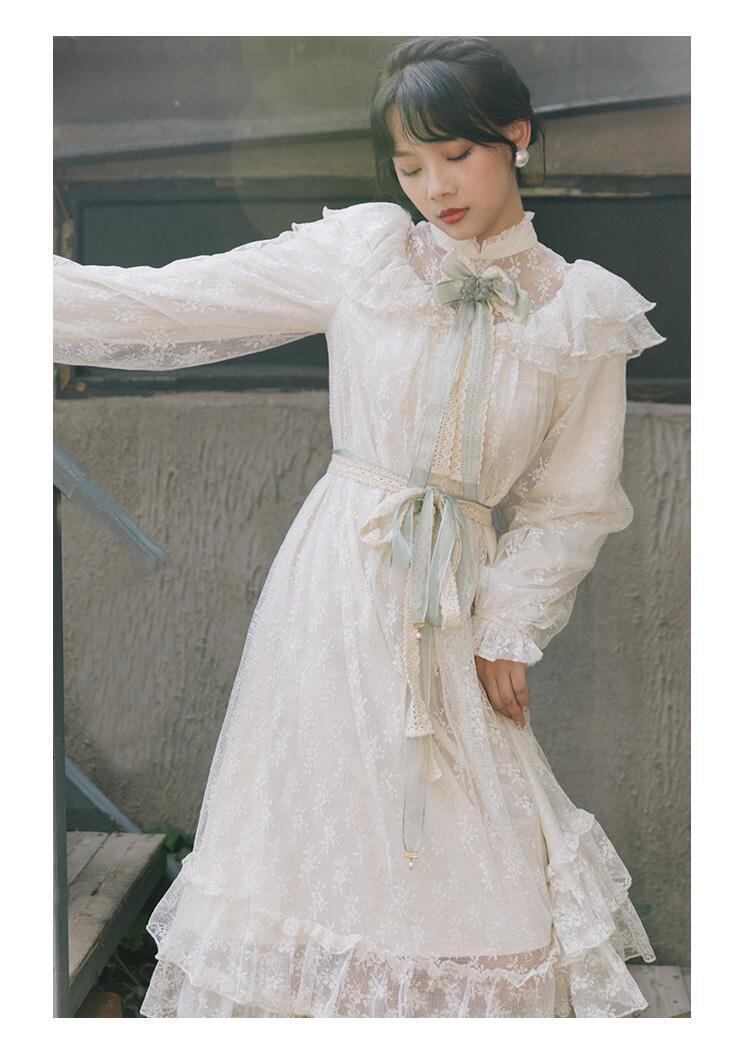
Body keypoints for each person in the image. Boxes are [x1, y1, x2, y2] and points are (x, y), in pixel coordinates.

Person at [53, 36, 665, 1018]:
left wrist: (511, 623)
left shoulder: (582, 310)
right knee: (319, 835)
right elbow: (172, 300)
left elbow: (572, 500)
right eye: (410, 164)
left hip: (458, 597)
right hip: (338, 578)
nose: (435, 187)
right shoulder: (368, 253)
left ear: (515, 136)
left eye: (456, 155)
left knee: (485, 861)